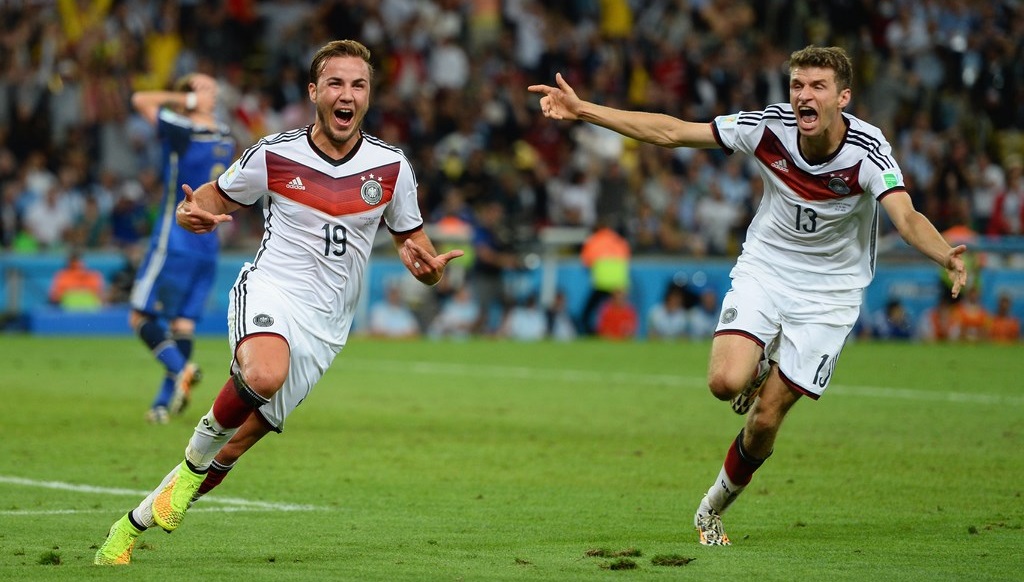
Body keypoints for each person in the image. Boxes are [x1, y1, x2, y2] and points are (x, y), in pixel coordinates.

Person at [529, 45, 967, 546]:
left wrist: (943, 254)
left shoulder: (868, 152)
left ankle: (713, 506)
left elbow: (906, 217)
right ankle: (758, 366)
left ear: (843, 97)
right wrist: (585, 110)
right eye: (798, 85)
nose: (804, 95)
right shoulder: (766, 127)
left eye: (818, 86)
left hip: (831, 294)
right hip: (768, 268)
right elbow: (673, 132)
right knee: (723, 382)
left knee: (765, 419)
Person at [94, 40, 464, 566]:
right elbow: (210, 198)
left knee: (236, 446)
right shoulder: (275, 154)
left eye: (358, 85)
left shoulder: (391, 168)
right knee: (263, 374)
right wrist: (189, 213)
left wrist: (427, 270)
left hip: (327, 326)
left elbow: (413, 242)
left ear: (369, 96)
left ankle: (127, 531)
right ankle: (192, 465)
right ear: (314, 92)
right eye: (335, 83)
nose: (347, 94)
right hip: (271, 288)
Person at [126, 72, 237, 424]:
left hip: (174, 237)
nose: (213, 93)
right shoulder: (226, 136)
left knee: (140, 316)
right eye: (206, 87)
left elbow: (140, 100)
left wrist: (187, 101)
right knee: (183, 325)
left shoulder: (183, 128)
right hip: (209, 242)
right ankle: (161, 405)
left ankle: (182, 368)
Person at [578, 218, 631, 335]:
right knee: (617, 312)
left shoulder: (593, 240)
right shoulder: (618, 240)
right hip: (619, 283)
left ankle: (592, 334)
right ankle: (620, 333)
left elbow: (585, 262)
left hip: (602, 282)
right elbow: (626, 257)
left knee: (588, 313)